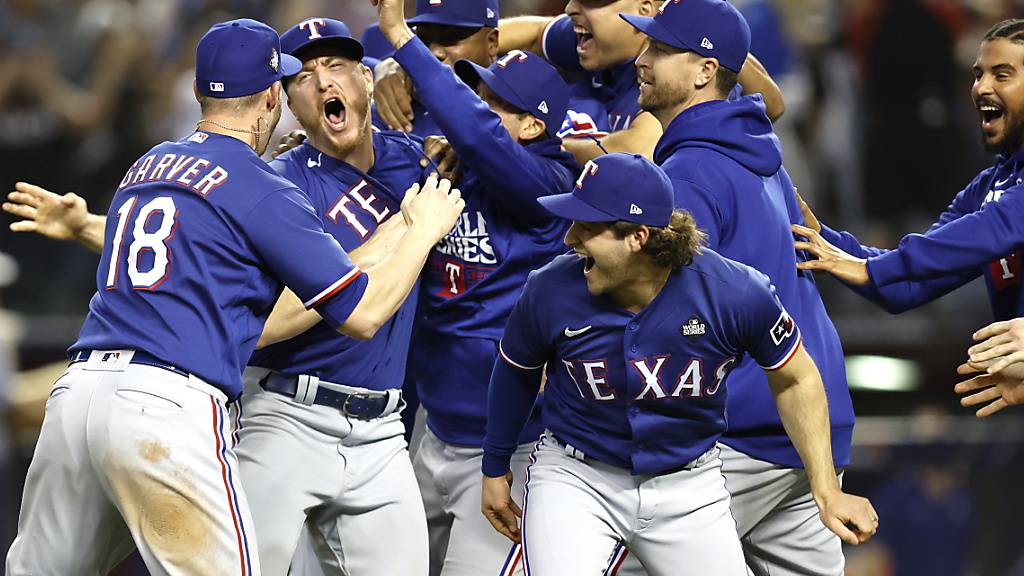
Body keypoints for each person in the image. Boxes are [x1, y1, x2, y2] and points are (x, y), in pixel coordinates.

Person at [3, 18, 464, 575]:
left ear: (198, 92)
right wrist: (416, 229)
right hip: (169, 405)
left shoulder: (147, 165)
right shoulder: (264, 185)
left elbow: (195, 242)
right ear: (275, 96)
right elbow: (362, 313)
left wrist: (85, 227)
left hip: (78, 393)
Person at [480, 152, 877, 576]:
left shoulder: (733, 292)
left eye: (588, 227)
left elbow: (796, 378)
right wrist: (495, 465)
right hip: (577, 477)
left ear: (638, 237)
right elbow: (516, 372)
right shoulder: (550, 288)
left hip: (689, 486)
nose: (570, 238)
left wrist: (826, 489)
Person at [613, 2, 858, 575]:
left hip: (741, 428)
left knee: (603, 558)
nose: (641, 61)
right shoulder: (760, 151)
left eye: (659, 50)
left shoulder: (690, 173)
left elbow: (673, 320)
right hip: (810, 421)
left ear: (703, 71)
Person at [371, 0, 581, 574]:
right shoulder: (455, 163)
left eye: (493, 104)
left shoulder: (548, 184)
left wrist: (398, 38)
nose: (476, 110)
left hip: (512, 449)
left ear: (533, 126)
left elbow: (479, 135)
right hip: (427, 431)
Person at [790, 19, 1024, 419]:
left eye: (1002, 74)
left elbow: (997, 228)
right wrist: (827, 243)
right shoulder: (989, 187)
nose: (982, 87)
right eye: (978, 74)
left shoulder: (1001, 208)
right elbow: (906, 286)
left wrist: (870, 268)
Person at [455, 0, 785, 164]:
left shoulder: (680, 74)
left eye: (594, 1)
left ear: (646, 9)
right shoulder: (602, 42)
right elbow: (535, 31)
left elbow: (637, 151)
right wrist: (425, 57)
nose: (571, 8)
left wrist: (515, 143)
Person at [371, 0, 500, 137]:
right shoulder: (391, 102)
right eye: (423, 38)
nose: (434, 53)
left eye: (450, 38)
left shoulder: (516, 105)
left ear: (492, 42)